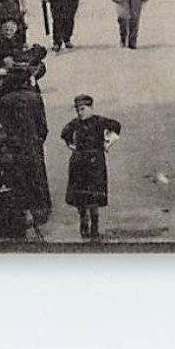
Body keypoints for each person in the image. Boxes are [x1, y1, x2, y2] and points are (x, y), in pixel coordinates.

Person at [0, 67, 51, 228]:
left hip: (13, 146)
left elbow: (0, 126)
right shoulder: (35, 98)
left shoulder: (5, 101)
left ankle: (22, 211)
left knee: (18, 178)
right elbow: (43, 126)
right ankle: (42, 210)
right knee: (37, 175)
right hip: (32, 144)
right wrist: (38, 140)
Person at [61, 94, 122, 240]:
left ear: (90, 108)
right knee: (80, 197)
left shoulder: (100, 121)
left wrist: (108, 141)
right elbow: (64, 133)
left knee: (95, 196)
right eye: (78, 110)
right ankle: (83, 223)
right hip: (79, 162)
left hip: (95, 162)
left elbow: (116, 126)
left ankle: (94, 227)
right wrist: (71, 145)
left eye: (83, 109)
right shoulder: (75, 123)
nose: (80, 113)